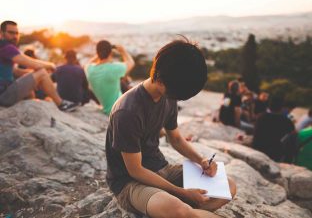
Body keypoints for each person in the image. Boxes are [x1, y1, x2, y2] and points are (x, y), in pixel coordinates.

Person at [105, 39, 236, 218]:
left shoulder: (169, 94)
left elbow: (175, 139)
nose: (178, 99)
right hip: (131, 183)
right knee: (177, 210)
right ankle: (186, 212)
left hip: (162, 168)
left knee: (228, 186)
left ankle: (191, 213)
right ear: (158, 78)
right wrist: (182, 193)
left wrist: (202, 160)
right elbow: (135, 170)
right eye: (178, 95)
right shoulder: (127, 111)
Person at [0, 20, 77, 111]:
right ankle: (61, 104)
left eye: (17, 33)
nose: (15, 36)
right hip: (4, 96)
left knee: (32, 88)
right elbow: (33, 64)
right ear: (1, 33)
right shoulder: (6, 47)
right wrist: (50, 65)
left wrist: (33, 76)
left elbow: (15, 71)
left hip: (5, 92)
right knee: (42, 73)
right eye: (11, 33)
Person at [86, 40, 135, 115]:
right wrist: (123, 51)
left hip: (107, 108)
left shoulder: (89, 69)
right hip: (121, 109)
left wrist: (98, 54)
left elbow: (89, 62)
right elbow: (131, 63)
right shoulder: (114, 68)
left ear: (97, 53)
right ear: (110, 53)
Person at [252, 97, 295, 162]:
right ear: (282, 108)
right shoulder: (286, 121)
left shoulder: (261, 116)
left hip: (257, 148)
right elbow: (294, 134)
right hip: (273, 152)